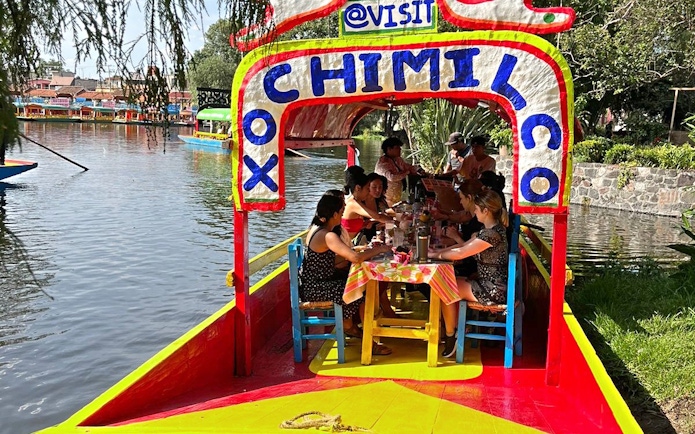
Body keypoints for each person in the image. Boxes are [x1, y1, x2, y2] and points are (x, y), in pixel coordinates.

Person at [299, 194, 393, 355]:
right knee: (358, 289)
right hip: (316, 288)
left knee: (354, 284)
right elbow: (355, 258)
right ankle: (360, 334)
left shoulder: (317, 230)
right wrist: (380, 249)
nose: (342, 215)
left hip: (313, 283)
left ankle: (352, 326)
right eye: (341, 212)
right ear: (334, 214)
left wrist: (359, 251)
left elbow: (333, 257)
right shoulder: (328, 235)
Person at [429, 190, 509, 358]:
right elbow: (464, 246)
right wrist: (435, 253)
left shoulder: (491, 235)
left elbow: (460, 254)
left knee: (444, 286)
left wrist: (435, 255)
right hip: (490, 284)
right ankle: (457, 327)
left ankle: (452, 336)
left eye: (477, 209)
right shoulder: (491, 230)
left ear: (486, 211)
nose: (474, 212)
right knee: (449, 281)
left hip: (493, 289)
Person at [342, 168, 393, 240]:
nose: (369, 192)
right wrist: (395, 222)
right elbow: (377, 216)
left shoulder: (357, 201)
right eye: (367, 189)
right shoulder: (353, 203)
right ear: (358, 188)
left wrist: (366, 224)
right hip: (347, 244)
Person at [374, 137, 422, 206]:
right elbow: (392, 177)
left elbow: (408, 167)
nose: (400, 149)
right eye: (397, 147)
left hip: (396, 197)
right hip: (385, 198)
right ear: (389, 149)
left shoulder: (398, 160)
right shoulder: (383, 163)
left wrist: (419, 170)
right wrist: (407, 172)